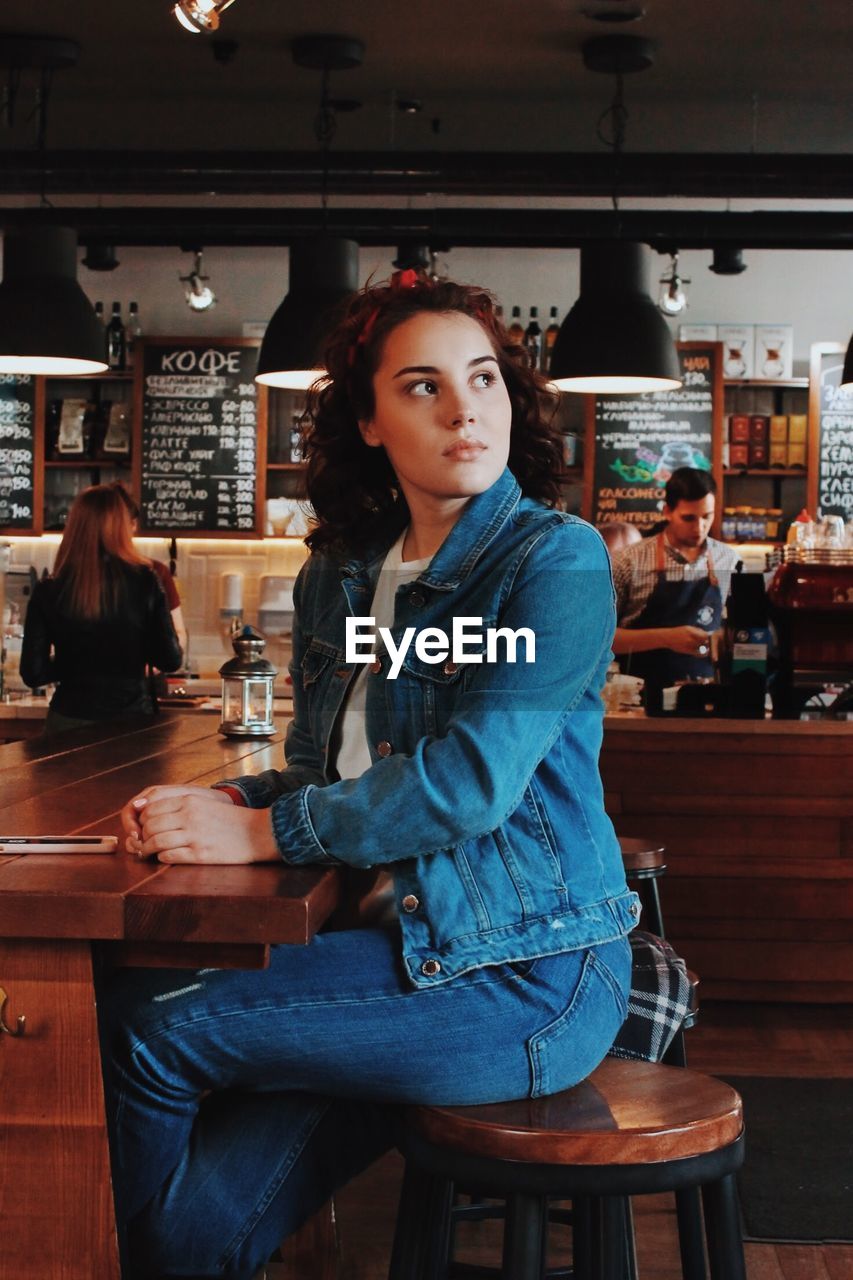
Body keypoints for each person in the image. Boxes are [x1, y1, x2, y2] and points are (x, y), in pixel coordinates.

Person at [101, 272, 639, 1280]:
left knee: (149, 1026)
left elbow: (470, 780)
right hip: (389, 952)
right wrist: (225, 803)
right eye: (422, 385)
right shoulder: (342, 574)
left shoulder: (549, 562)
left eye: (481, 378)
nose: (463, 407)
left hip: (521, 971)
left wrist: (267, 834)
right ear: (369, 418)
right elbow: (323, 766)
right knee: (184, 1228)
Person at [20, 483, 183, 733]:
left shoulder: (48, 590)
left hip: (68, 721)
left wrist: (74, 661)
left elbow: (33, 673)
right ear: (122, 527)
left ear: (75, 526)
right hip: (131, 725)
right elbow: (170, 660)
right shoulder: (146, 581)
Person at [610, 467, 740, 697]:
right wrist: (667, 638)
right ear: (668, 511)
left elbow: (744, 635)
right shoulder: (628, 561)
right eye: (689, 518)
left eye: (706, 517)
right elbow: (600, 640)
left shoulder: (730, 562)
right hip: (638, 697)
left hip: (708, 695)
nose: (699, 527)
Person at [111, 482, 189, 659]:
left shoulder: (156, 572)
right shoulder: (153, 573)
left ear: (133, 524)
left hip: (143, 681)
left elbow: (178, 636)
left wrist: (150, 667)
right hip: (138, 682)